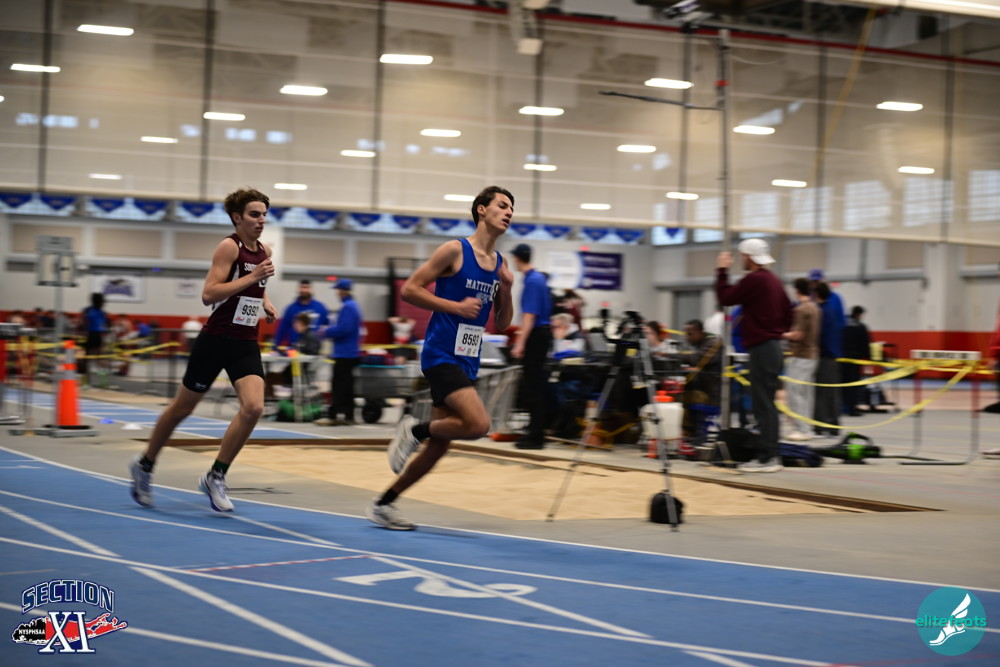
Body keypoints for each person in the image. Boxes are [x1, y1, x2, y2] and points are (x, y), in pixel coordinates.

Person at [369, 185, 514, 530]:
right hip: (441, 353)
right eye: (502, 205)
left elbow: (503, 323)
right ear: (481, 210)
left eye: (512, 209)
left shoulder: (500, 264)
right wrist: (456, 307)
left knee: (439, 447)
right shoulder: (454, 250)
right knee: (478, 425)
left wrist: (507, 289)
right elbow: (410, 289)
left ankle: (384, 505)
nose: (509, 212)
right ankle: (414, 429)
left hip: (468, 358)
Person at [128, 187, 276, 512]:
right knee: (182, 409)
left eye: (264, 215)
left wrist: (265, 301)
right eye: (254, 214)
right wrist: (253, 278)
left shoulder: (264, 250)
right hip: (216, 341)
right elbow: (209, 294)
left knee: (254, 408)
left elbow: (256, 285)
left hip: (245, 342)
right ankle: (145, 464)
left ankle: (216, 475)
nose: (261, 220)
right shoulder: (229, 247)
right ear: (237, 217)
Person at [715, 239, 792, 473]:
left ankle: (767, 458)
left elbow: (726, 297)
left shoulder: (755, 279)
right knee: (767, 404)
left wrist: (722, 270)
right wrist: (775, 330)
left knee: (762, 405)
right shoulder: (774, 280)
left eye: (742, 256)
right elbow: (789, 312)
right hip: (774, 346)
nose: (741, 260)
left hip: (763, 348)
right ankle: (770, 455)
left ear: (748, 257)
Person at [510, 242, 553, 450]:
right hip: (540, 335)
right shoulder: (537, 278)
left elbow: (529, 315)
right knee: (535, 385)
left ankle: (536, 436)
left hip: (536, 336)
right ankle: (535, 431)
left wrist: (520, 343)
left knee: (533, 387)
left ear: (518, 258)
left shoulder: (533, 280)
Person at [315, 279, 363, 426]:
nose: (337, 293)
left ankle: (333, 415)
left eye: (338, 290)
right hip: (350, 352)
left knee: (338, 386)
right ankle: (349, 416)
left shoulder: (348, 307)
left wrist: (326, 331)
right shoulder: (353, 306)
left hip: (344, 353)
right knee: (347, 386)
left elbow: (344, 329)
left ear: (342, 291)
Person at [781, 278, 820, 441]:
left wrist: (779, 334)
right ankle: (807, 428)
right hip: (813, 355)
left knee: (794, 392)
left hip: (801, 355)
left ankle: (800, 428)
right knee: (806, 394)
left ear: (797, 290)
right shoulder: (815, 307)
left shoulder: (802, 309)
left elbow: (798, 335)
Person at [675, 319, 722, 439]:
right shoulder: (702, 344)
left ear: (700, 332)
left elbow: (697, 358)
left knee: (677, 398)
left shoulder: (714, 343)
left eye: (690, 334)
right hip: (704, 389)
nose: (687, 337)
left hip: (712, 395)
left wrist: (670, 355)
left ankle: (686, 432)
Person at [813, 282, 845, 436]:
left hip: (824, 356)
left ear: (817, 294)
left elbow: (821, 336)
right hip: (833, 356)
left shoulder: (820, 312)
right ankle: (833, 425)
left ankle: (820, 425)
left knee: (821, 392)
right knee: (832, 392)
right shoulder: (831, 310)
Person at [274, 280, 330, 349]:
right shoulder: (291, 308)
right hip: (295, 347)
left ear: (311, 290)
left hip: (313, 348)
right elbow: (282, 329)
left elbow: (326, 327)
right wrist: (275, 346)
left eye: (307, 287)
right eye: (302, 287)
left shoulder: (320, 307)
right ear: (298, 289)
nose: (304, 290)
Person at [841, 305, 871, 417]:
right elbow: (865, 344)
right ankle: (852, 408)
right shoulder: (860, 326)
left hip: (841, 358)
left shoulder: (843, 324)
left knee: (842, 383)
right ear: (859, 314)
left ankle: (842, 407)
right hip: (854, 360)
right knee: (853, 385)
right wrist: (868, 358)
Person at [79, 293, 109, 387]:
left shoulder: (88, 310)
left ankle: (87, 381)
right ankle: (104, 381)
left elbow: (82, 322)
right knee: (99, 359)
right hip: (99, 336)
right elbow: (105, 325)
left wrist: (84, 329)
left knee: (87, 359)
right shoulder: (102, 312)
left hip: (91, 335)